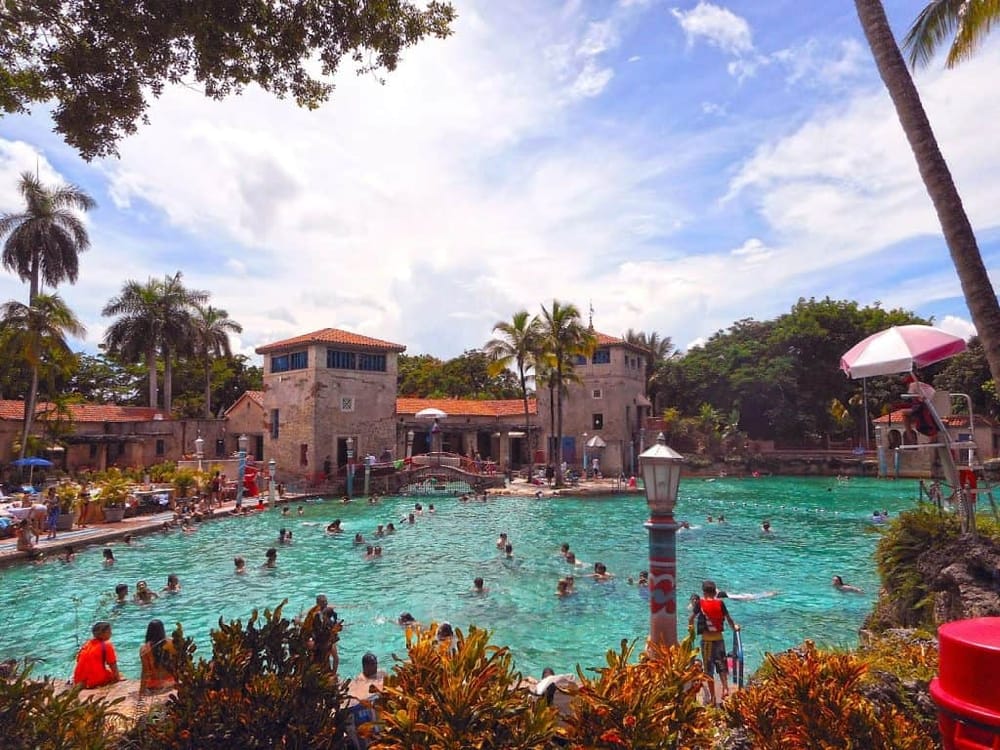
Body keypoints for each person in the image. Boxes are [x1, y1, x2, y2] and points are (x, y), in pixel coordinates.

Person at [689, 580, 739, 705]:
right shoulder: (720, 603)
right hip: (719, 640)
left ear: (704, 592)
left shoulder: (700, 603)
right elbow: (729, 619)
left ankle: (712, 698)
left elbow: (691, 619)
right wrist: (735, 627)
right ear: (715, 591)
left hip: (707, 642)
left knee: (709, 670)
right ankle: (726, 688)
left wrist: (691, 632)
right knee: (722, 666)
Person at [73, 621, 122, 688]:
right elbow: (112, 664)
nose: (111, 633)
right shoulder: (107, 645)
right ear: (102, 634)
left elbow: (78, 660)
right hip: (93, 682)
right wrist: (118, 678)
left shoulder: (87, 644)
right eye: (109, 631)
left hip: (78, 681)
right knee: (119, 675)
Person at [139, 619, 177, 695]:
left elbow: (145, 672)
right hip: (172, 681)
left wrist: (141, 691)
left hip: (155, 685)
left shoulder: (144, 649)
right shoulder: (172, 643)